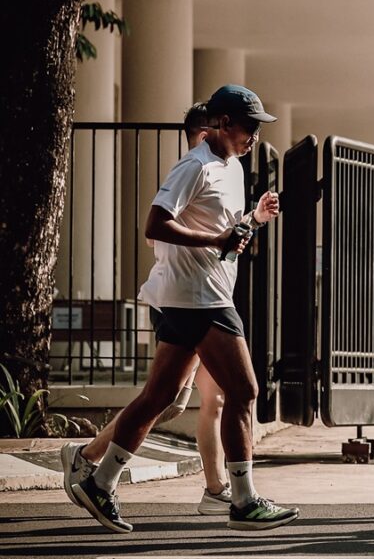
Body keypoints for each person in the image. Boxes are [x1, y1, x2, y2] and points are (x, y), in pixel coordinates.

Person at [68, 85, 298, 533]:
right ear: (224, 123)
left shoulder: (233, 168)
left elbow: (222, 230)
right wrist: (216, 239)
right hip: (199, 297)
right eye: (249, 126)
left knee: (160, 397)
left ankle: (100, 481)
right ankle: (243, 501)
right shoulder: (195, 165)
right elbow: (156, 223)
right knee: (245, 391)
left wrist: (253, 220)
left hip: (197, 294)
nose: (255, 136)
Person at [62, 103, 232, 516]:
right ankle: (87, 458)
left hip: (208, 299)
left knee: (209, 398)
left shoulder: (218, 173)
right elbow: (155, 232)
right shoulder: (192, 171)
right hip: (184, 302)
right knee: (172, 399)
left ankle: (216, 488)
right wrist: (210, 240)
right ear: (205, 132)